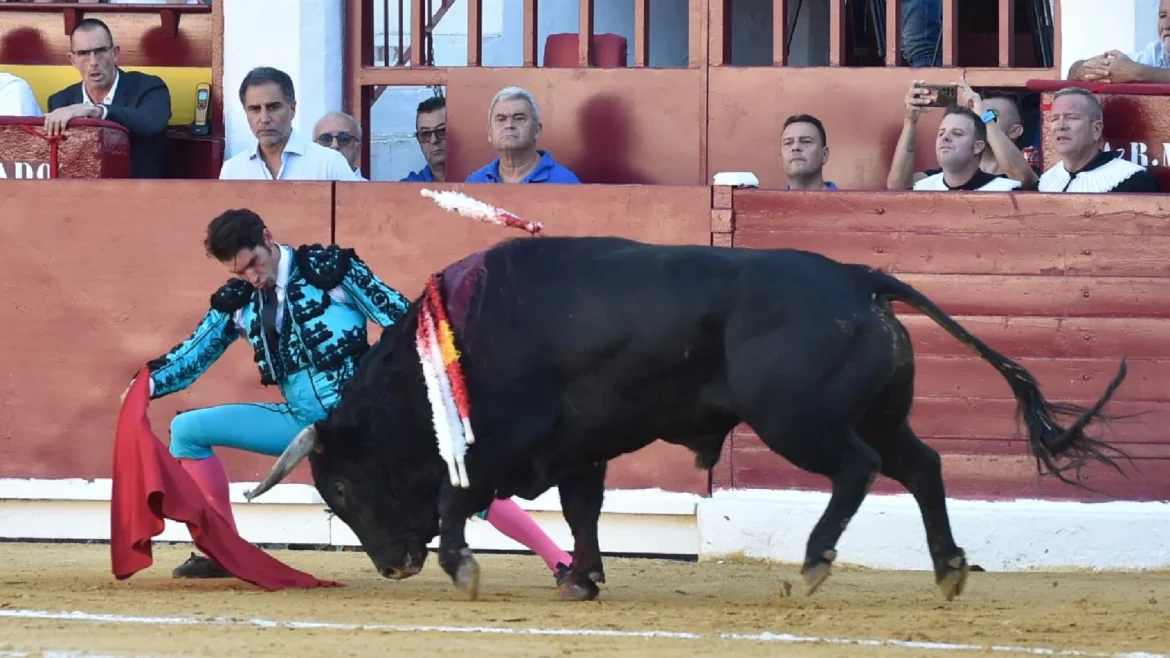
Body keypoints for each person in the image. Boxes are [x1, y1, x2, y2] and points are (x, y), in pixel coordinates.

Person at [127, 209, 573, 582]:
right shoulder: (238, 301)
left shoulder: (330, 272)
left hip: (367, 427)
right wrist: (145, 384)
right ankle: (222, 551)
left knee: (465, 482)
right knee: (186, 430)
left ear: (267, 238)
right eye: (239, 271)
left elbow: (403, 319)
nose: (252, 277)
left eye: (254, 263)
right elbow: (193, 355)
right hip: (303, 424)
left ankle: (561, 559)